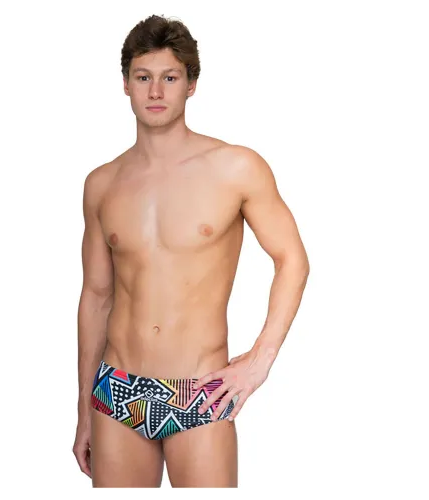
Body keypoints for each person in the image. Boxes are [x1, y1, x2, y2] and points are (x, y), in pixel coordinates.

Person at [72, 14, 310, 488]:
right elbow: (96, 296)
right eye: (143, 77)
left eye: (170, 77)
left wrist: (259, 361)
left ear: (191, 85)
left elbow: (292, 260)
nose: (156, 91)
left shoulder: (235, 167)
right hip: (116, 392)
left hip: (200, 391)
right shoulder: (102, 183)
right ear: (126, 85)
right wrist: (83, 408)